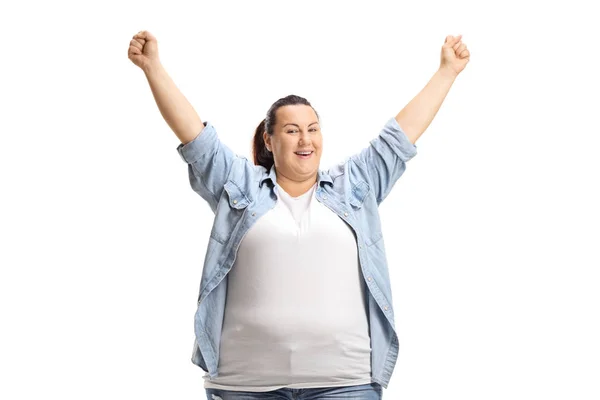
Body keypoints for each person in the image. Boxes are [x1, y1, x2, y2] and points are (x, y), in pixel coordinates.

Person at [128, 30, 469, 400]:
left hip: (345, 383)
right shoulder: (239, 183)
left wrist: (447, 71)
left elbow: (399, 138)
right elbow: (196, 139)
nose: (305, 140)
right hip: (243, 386)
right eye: (292, 131)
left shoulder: (354, 185)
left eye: (312, 129)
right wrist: (152, 67)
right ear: (270, 141)